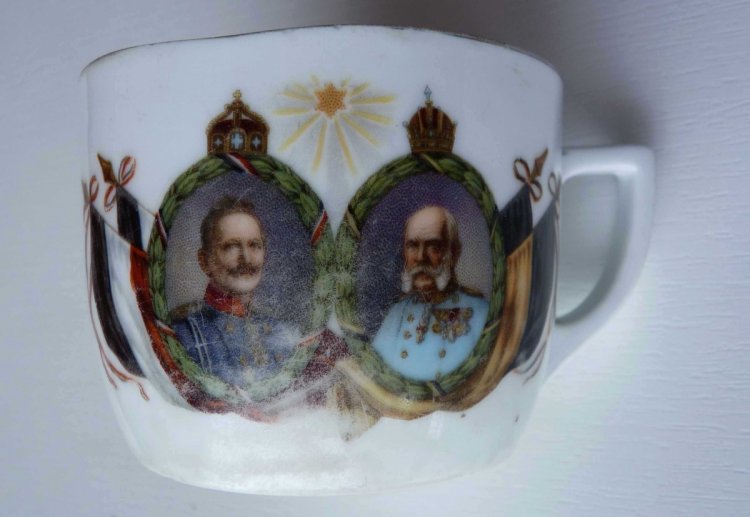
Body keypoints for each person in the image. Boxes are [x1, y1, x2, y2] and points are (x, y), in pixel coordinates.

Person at [171, 197, 300, 386]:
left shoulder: (286, 333)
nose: (246, 258)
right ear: (204, 261)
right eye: (231, 246)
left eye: (254, 245)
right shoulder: (184, 333)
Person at [371, 206, 489, 382]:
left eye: (433, 246)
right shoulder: (396, 313)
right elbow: (375, 376)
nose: (420, 257)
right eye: (412, 246)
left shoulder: (480, 312)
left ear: (454, 253)